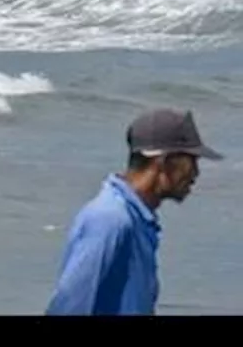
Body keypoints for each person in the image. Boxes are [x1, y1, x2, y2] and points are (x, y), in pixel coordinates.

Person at [45, 107, 223, 315]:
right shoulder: (110, 219)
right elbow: (69, 306)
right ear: (163, 162)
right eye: (191, 161)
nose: (195, 173)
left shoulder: (138, 218)